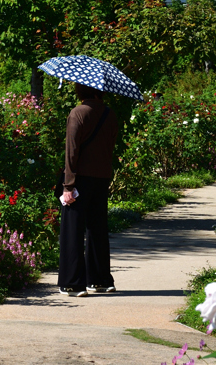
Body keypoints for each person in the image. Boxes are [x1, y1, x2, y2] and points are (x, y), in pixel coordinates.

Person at [58, 82, 119, 297]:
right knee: (98, 229)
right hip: (101, 178)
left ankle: (73, 283)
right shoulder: (110, 115)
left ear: (81, 90)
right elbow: (110, 146)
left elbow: (71, 152)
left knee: (72, 229)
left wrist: (68, 185)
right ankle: (100, 279)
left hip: (80, 179)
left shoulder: (78, 113)